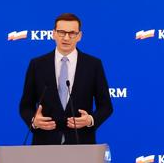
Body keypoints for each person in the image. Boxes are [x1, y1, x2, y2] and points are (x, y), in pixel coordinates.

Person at [18, 12, 113, 145]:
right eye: (61, 32)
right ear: (53, 34)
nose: (66, 38)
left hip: (81, 143)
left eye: (72, 33)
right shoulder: (37, 65)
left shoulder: (93, 65)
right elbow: (25, 106)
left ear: (79, 36)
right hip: (44, 143)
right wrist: (34, 121)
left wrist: (90, 120)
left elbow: (106, 106)